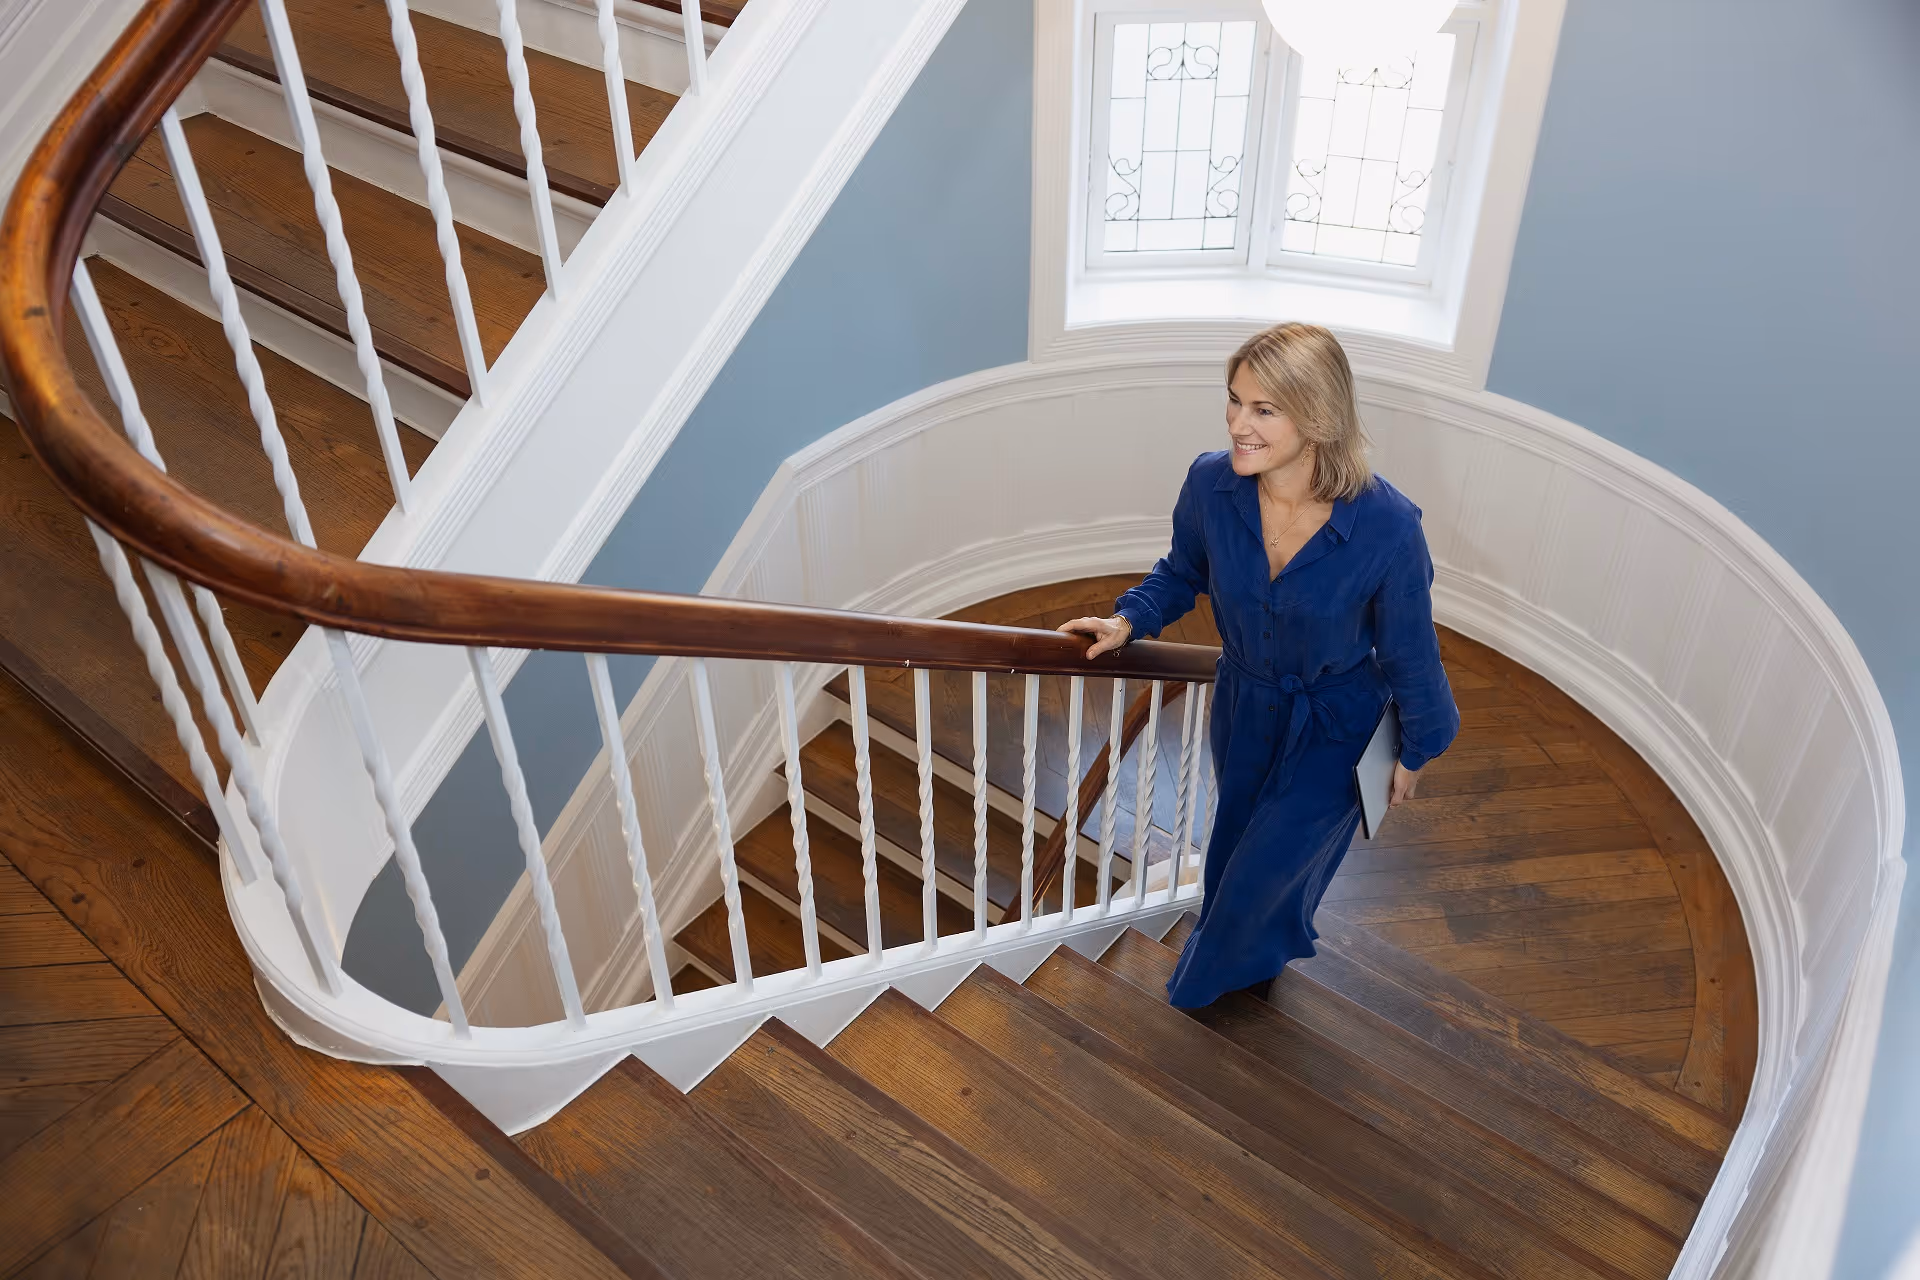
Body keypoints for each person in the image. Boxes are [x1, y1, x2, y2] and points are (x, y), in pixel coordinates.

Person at [1058, 322, 1459, 1008]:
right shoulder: (1212, 483)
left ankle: (1194, 994)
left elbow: (1410, 657)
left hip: (1339, 727)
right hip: (1243, 705)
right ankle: (1254, 960)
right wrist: (1128, 619)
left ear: (1320, 416)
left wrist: (1414, 754)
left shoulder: (1389, 527)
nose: (1238, 423)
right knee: (1236, 844)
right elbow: (1181, 571)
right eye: (1235, 400)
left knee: (1265, 871)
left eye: (1264, 409)